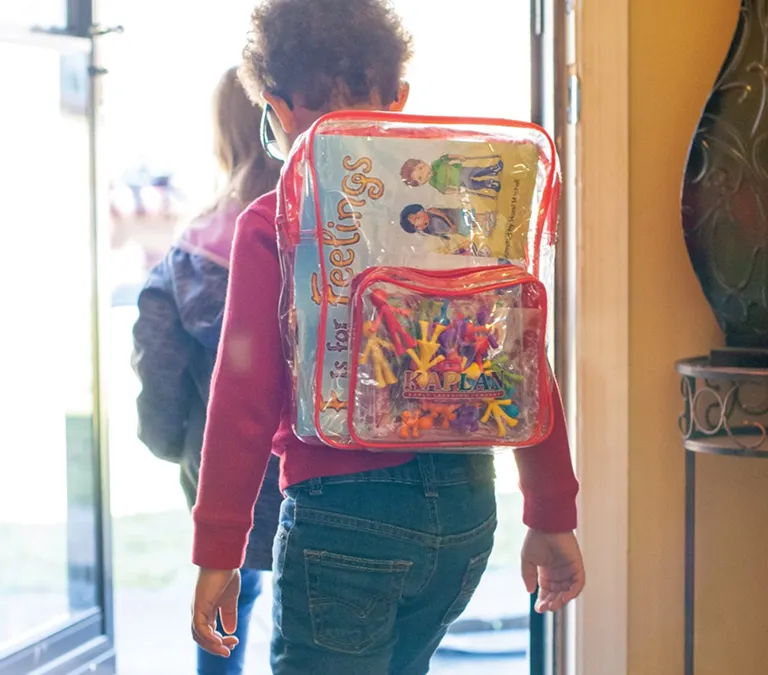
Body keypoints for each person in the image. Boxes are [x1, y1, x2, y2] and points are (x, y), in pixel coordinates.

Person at [191, 2, 585, 674]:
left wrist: (220, 550)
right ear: (399, 99)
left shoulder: (273, 221)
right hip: (464, 511)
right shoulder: (466, 212)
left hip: (343, 516)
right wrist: (551, 509)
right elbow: (518, 352)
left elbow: (242, 394)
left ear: (279, 111)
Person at [132, 66, 283, 675]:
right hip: (321, 479)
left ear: (224, 134)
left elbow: (159, 366)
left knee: (223, 612)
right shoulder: (325, 231)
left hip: (228, 483)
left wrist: (174, 447)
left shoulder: (190, 248)